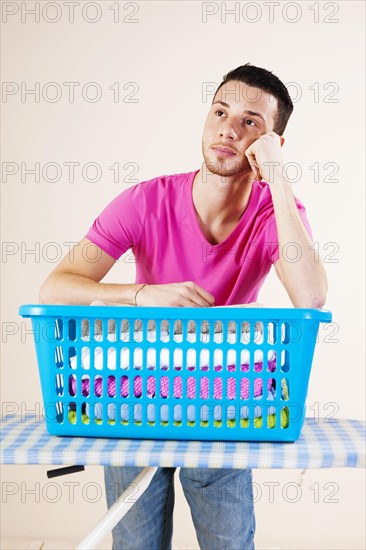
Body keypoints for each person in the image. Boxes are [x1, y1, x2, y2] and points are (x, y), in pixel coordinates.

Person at [40, 63, 327, 550]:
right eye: (220, 111)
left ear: (272, 142)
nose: (228, 129)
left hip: (225, 398)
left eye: (251, 122)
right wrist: (140, 295)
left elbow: (312, 297)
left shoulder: (275, 212)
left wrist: (278, 180)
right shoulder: (143, 202)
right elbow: (55, 288)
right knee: (134, 542)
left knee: (228, 542)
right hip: (132, 396)